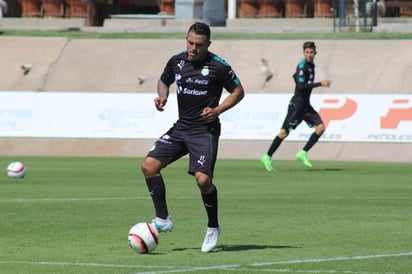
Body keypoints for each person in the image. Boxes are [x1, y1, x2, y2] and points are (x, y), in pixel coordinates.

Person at [140, 22, 245, 252]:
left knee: (203, 181)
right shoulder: (177, 61)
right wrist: (162, 96)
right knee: (148, 166)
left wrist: (217, 110)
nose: (193, 48)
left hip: (204, 131)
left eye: (198, 44)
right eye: (190, 42)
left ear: (208, 44)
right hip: (181, 128)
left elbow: (239, 91)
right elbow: (163, 80)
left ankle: (213, 226)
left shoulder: (219, 66)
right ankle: (163, 219)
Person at [260, 41, 331, 171]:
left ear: (315, 53)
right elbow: (300, 86)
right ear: (304, 53)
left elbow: (295, 77)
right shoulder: (303, 66)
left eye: (311, 52)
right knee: (284, 133)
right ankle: (267, 156)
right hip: (297, 105)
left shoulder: (311, 66)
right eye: (307, 52)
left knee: (320, 127)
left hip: (306, 105)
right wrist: (320, 83)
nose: (309, 54)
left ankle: (303, 153)